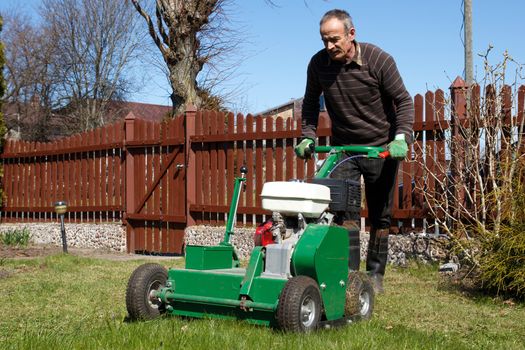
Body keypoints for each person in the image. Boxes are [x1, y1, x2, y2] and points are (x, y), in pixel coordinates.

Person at [295, 9, 414, 294]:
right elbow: (310, 104)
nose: (329, 46)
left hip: (379, 149)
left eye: (334, 39)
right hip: (345, 149)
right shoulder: (318, 64)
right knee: (343, 214)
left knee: (379, 215)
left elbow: (404, 101)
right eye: (324, 40)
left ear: (351, 34)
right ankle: (348, 276)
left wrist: (401, 138)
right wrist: (307, 136)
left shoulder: (378, 59)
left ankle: (375, 275)